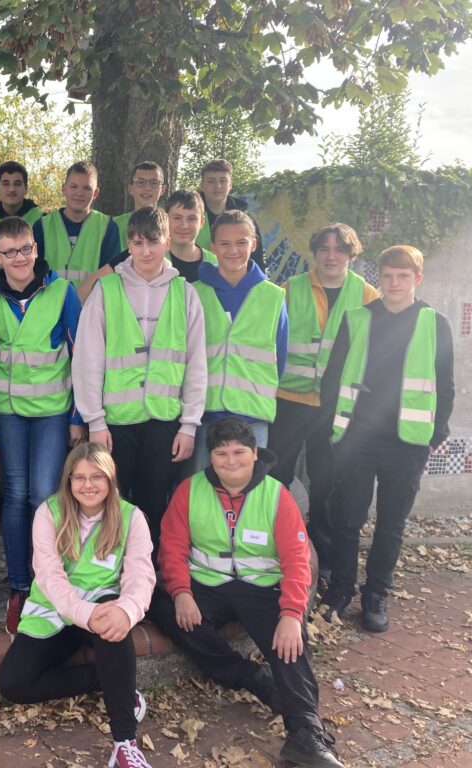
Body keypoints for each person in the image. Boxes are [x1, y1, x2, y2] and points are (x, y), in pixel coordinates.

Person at [153, 418, 342, 768]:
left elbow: (297, 562)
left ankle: (306, 735)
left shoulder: (276, 495)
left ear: (255, 454)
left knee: (290, 642)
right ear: (211, 457)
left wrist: (290, 615)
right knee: (162, 608)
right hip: (206, 585)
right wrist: (180, 592)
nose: (230, 460)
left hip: (260, 589)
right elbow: (172, 546)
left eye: (239, 452)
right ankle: (251, 678)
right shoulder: (190, 490)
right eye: (221, 453)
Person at [319, 245, 454, 632]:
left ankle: (376, 594)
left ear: (417, 279)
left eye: (403, 276)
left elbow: (445, 385)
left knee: (391, 525)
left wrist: (435, 435)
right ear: (379, 278)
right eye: (388, 276)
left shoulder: (434, 322)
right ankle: (341, 589)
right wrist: (336, 431)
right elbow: (332, 379)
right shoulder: (357, 318)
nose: (394, 283)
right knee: (347, 520)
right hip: (357, 439)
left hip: (407, 443)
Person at [0, 442, 155, 768]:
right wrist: (85, 614)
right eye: (79, 477)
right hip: (56, 613)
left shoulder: (131, 517)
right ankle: (109, 681)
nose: (88, 485)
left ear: (110, 479)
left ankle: (125, 741)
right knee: (13, 684)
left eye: (97, 476)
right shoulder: (49, 512)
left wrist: (128, 610)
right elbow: (50, 576)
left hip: (103, 605)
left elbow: (141, 576)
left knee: (115, 622)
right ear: (68, 481)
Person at [0, 216, 85, 633]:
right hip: (8, 413)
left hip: (53, 412)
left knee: (43, 494)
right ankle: (19, 587)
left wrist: (78, 416)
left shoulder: (61, 291)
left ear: (35, 250)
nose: (20, 258)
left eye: (26, 249)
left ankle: (47, 583)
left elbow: (81, 355)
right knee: (15, 494)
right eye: (10, 252)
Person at [73, 207, 207, 552]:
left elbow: (196, 364)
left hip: (164, 422)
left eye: (153, 242)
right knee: (109, 503)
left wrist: (189, 424)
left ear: (167, 243)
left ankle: (146, 577)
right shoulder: (107, 290)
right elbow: (87, 360)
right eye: (137, 243)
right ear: (128, 245)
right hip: (114, 424)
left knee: (152, 505)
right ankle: (106, 574)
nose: (146, 251)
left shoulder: (185, 293)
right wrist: (94, 419)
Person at [268, 224, 379, 580]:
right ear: (314, 252)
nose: (332, 256)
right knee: (276, 474)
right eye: (325, 249)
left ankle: (323, 556)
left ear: (351, 255)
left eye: (340, 250)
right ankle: (272, 544)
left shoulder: (367, 296)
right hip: (289, 398)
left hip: (335, 404)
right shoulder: (289, 289)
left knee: (326, 481)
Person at [190, 210, 287, 470]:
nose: (233, 250)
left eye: (241, 242)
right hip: (204, 414)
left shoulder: (274, 296)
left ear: (253, 244)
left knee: (250, 495)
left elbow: (280, 357)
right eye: (225, 243)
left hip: (252, 415)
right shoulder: (194, 293)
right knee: (201, 490)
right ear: (213, 247)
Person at [32, 161, 121, 302]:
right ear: (64, 189)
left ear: (96, 193)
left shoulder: (108, 228)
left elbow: (110, 278)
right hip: (49, 310)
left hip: (91, 311)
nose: (79, 193)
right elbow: (32, 275)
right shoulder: (42, 226)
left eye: (87, 188)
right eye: (74, 186)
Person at [197, 158, 266, 272]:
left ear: (230, 185)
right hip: (195, 284)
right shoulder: (189, 217)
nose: (217, 186)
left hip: (237, 285)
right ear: (202, 185)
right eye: (211, 181)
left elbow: (257, 261)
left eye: (223, 181)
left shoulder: (246, 220)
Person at [0, 160, 43, 240]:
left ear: (26, 188)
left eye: (17, 184)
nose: (11, 189)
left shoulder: (42, 220)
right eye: (6, 184)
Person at [111, 161, 166, 251]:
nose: (147, 188)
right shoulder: (114, 225)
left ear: (163, 190)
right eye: (141, 182)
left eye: (154, 183)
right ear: (130, 189)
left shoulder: (174, 226)